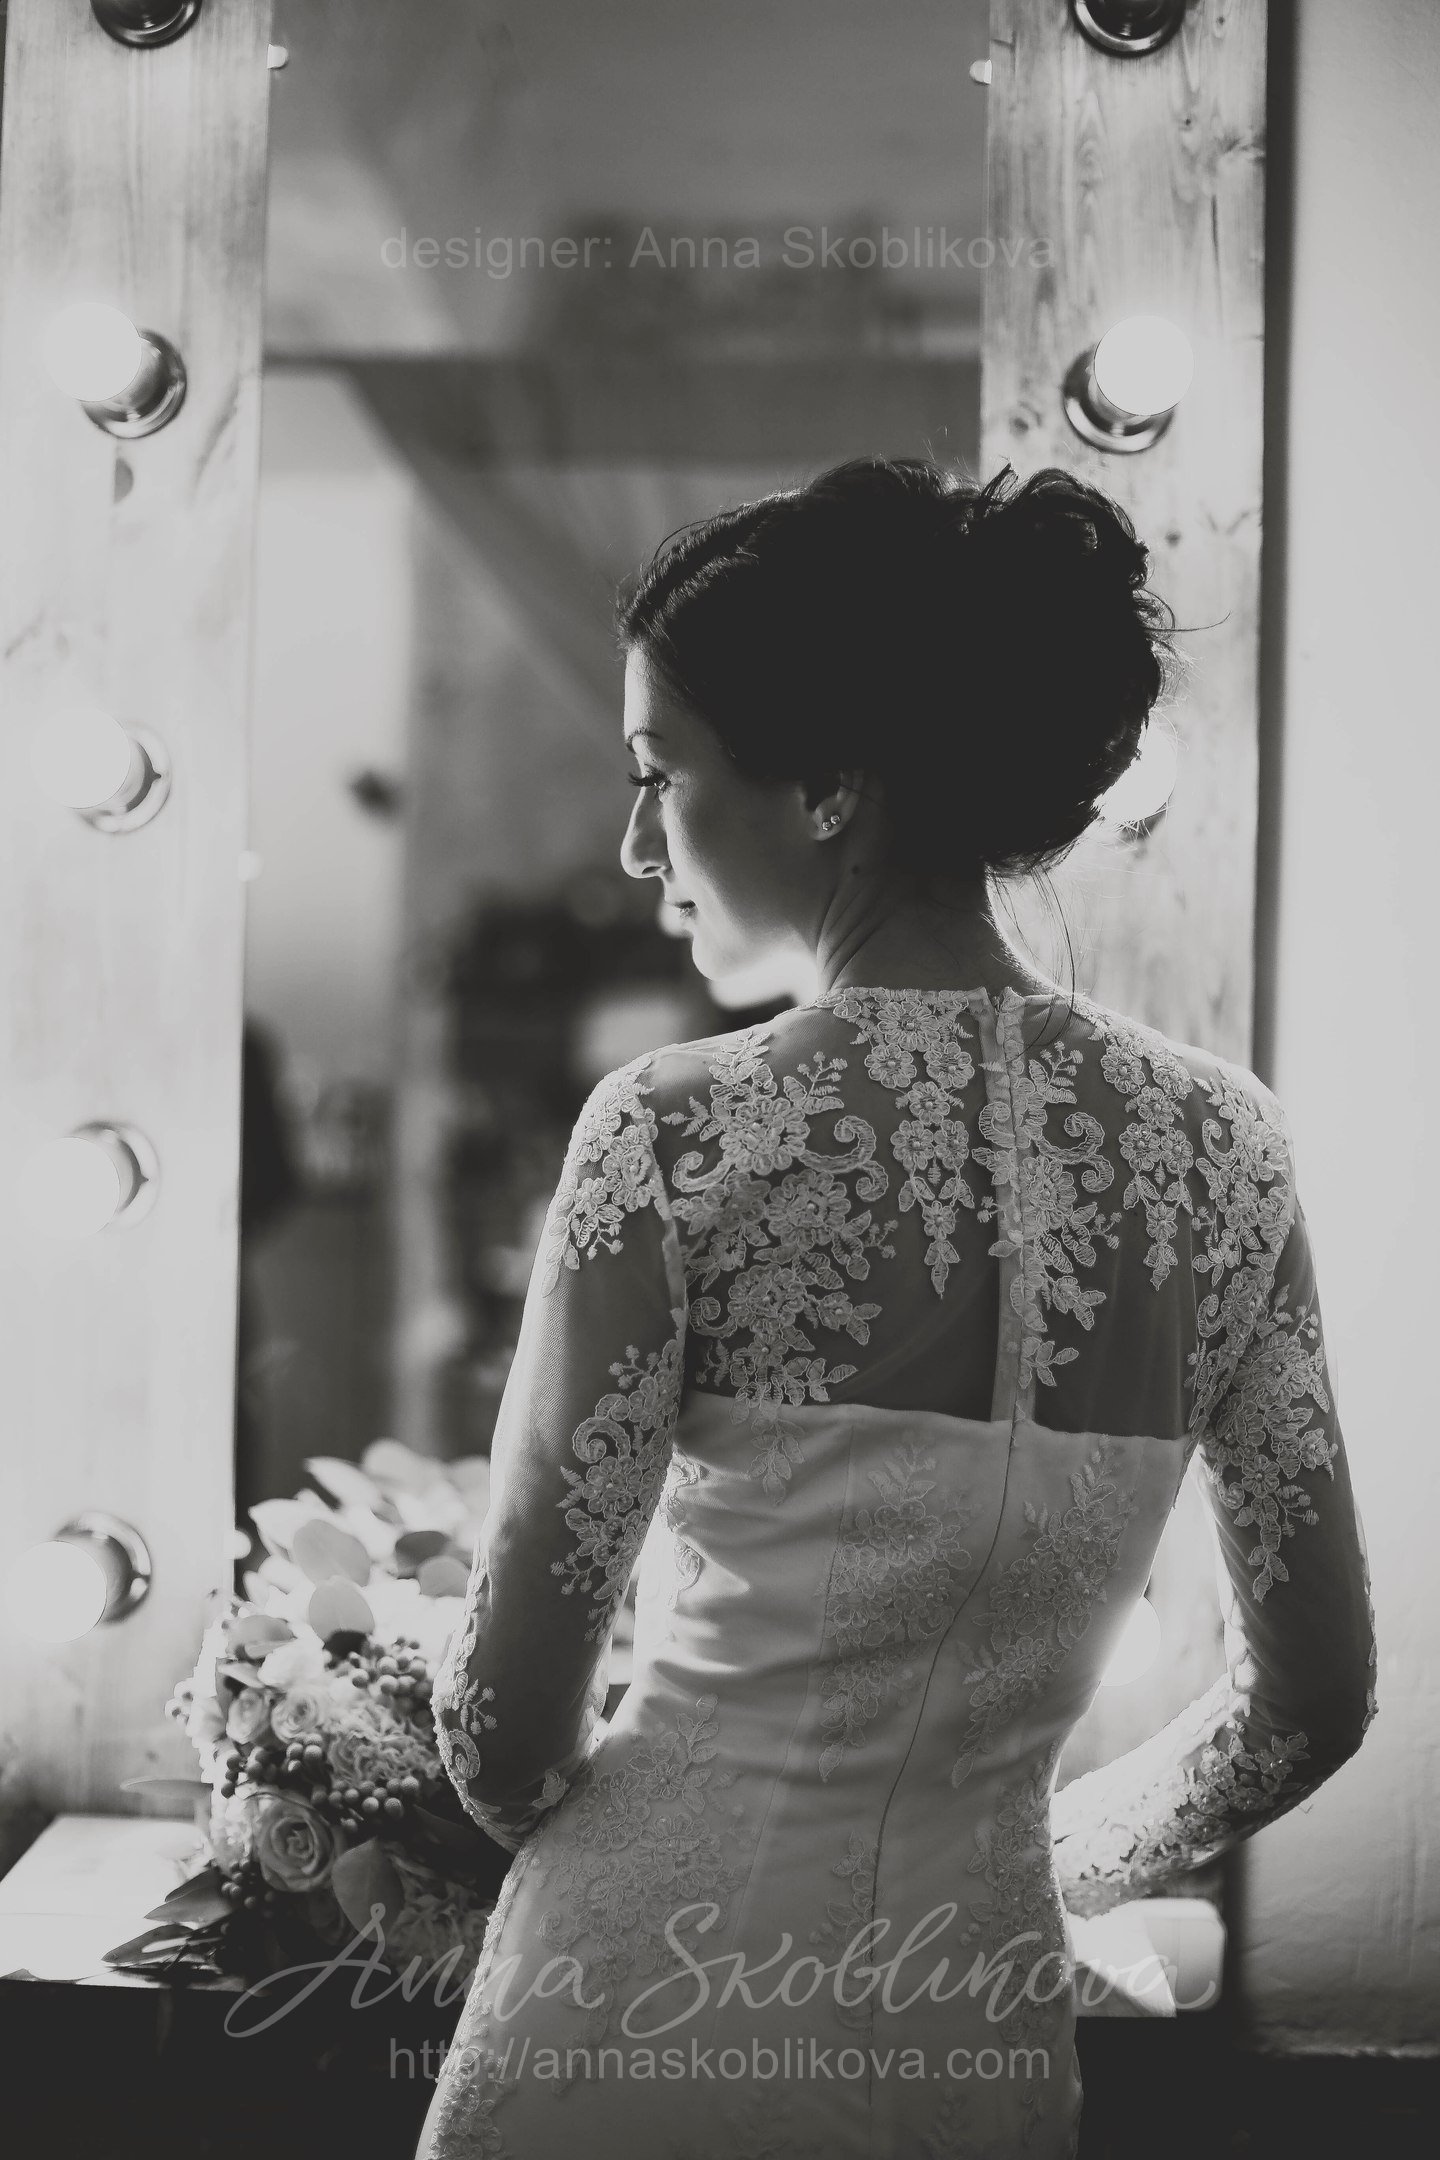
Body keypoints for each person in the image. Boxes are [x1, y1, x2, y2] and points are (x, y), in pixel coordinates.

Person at [415, 458, 1378, 2158]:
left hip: (637, 1998)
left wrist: (647, 1838)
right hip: (971, 2020)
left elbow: (504, 1732)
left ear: (831, 785)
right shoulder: (1221, 1151)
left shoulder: (675, 1134)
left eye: (659, 774)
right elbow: (1314, 1702)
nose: (636, 845)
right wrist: (1023, 1858)